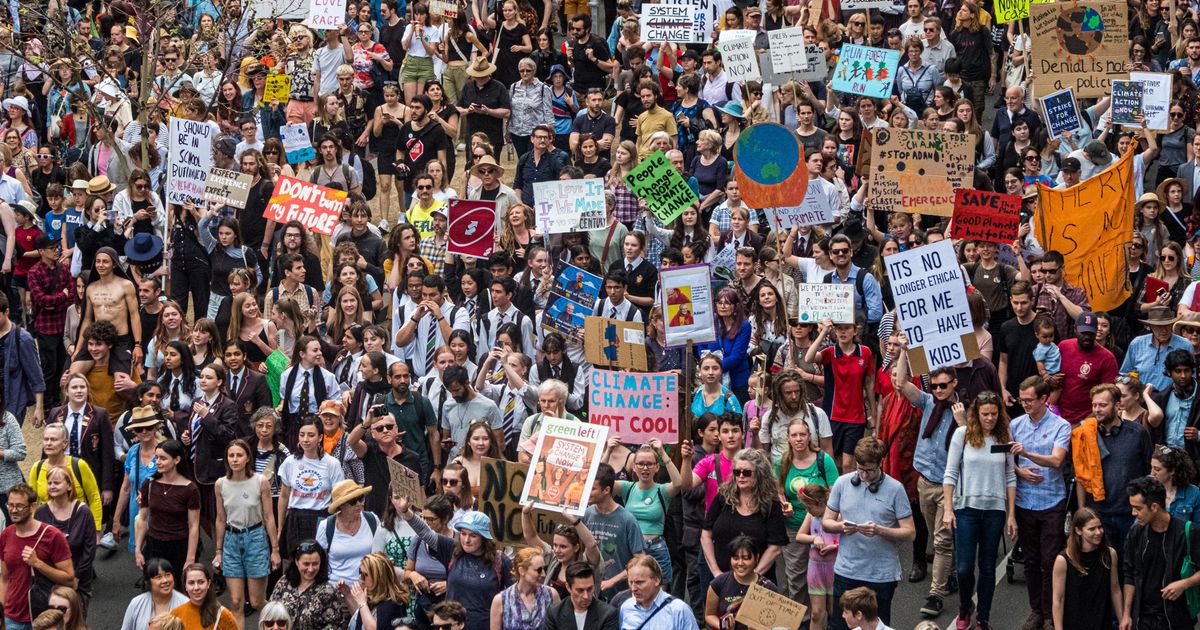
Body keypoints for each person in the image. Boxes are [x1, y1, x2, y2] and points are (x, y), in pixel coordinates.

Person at [821, 437, 916, 630]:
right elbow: (826, 522)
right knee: (839, 626)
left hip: (880, 575)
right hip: (847, 571)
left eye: (870, 470)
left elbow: (910, 532)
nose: (863, 475)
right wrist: (841, 527)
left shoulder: (895, 489)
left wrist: (880, 530)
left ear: (880, 463)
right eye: (860, 469)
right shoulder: (842, 483)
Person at [942, 392, 1017, 629]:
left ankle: (983, 618)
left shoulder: (1004, 436)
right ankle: (965, 606)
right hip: (966, 509)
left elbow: (1010, 476)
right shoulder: (962, 435)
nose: (990, 418)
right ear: (976, 413)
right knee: (964, 568)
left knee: (987, 567)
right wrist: (948, 508)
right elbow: (950, 473)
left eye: (994, 414)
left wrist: (1011, 514)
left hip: (994, 511)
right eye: (985, 414)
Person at [397, 499, 513, 630]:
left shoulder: (500, 561)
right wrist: (406, 512)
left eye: (473, 535)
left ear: (484, 538)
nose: (466, 540)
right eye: (463, 534)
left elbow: (514, 600)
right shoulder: (452, 550)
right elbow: (425, 532)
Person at [1074, 384, 1153, 555]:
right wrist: (1082, 511)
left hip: (1130, 513)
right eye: (1094, 405)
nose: (1097, 410)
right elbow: (1081, 476)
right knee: (1102, 565)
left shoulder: (1137, 433)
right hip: (1098, 516)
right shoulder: (1086, 434)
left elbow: (1149, 472)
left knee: (1130, 563)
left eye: (1103, 405)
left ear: (1118, 405)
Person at [214, 439, 279, 627]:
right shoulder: (220, 484)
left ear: (247, 458)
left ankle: (281, 621)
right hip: (231, 539)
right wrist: (218, 550)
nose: (235, 459)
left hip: (255, 537)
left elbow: (269, 517)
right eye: (231, 455)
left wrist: (274, 549)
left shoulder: (260, 481)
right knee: (236, 602)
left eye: (239, 455)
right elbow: (220, 519)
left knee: (258, 601)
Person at [1120, 476, 1200, 629]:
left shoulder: (1187, 532)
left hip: (1177, 619)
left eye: (1138, 508)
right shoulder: (1135, 533)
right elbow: (1129, 574)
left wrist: (1184, 583)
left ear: (1154, 507)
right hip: (1143, 619)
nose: (1133, 513)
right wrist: (1126, 614)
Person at [0, 484, 74, 629]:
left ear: (32, 507)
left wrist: (38, 564)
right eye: (10, 505)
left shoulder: (53, 536)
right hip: (11, 618)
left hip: (43, 618)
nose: (14, 510)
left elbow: (69, 578)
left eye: (20, 506)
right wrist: (2, 613)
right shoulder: (6, 535)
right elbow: (4, 578)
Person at [135, 439, 200, 587]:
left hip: (179, 547)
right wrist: (138, 549)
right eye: (156, 457)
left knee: (178, 591)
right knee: (154, 591)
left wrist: (190, 559)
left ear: (177, 459)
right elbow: (143, 518)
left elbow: (194, 526)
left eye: (163, 458)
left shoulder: (190, 489)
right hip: (154, 546)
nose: (158, 462)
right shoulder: (149, 484)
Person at [278, 417, 345, 556]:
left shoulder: (331, 463)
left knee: (319, 561)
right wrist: (280, 527)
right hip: (295, 517)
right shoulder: (290, 462)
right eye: (302, 435)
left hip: (321, 517)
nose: (305, 439)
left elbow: (339, 498)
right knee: (296, 564)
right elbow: (284, 496)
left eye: (311, 435)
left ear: (320, 437)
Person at [581, 463, 645, 599]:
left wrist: (613, 581)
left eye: (592, 489)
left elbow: (640, 559)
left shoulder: (627, 519)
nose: (587, 492)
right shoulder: (587, 514)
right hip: (591, 592)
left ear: (606, 490)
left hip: (620, 594)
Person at [1051, 507, 1122, 630]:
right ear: (1078, 531)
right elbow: (1058, 599)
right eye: (1091, 529)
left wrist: (1122, 620)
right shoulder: (1063, 560)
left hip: (1102, 623)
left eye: (1100, 527)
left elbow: (1115, 589)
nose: (1098, 532)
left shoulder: (1110, 554)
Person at [34, 466, 95, 603]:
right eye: (49, 483)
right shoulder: (41, 512)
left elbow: (89, 550)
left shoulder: (83, 512)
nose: (52, 486)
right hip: (48, 582)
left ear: (69, 485)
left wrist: (76, 577)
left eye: (57, 483)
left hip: (78, 581)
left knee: (75, 622)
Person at [704, 534, 781, 630]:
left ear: (756, 558)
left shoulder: (769, 588)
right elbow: (709, 615)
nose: (740, 563)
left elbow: (777, 624)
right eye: (735, 558)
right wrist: (723, 625)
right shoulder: (718, 583)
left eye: (746, 558)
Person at [270, 542, 348, 629]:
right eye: (306, 564)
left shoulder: (328, 592)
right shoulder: (284, 582)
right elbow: (271, 613)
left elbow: (336, 625)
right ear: (296, 562)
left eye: (315, 564)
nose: (311, 569)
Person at [316, 480, 379, 585]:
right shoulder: (326, 526)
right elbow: (319, 561)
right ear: (341, 505)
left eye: (361, 498)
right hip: (337, 589)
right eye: (353, 501)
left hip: (369, 588)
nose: (359, 504)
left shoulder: (372, 519)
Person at [619, 556, 698, 630]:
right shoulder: (626, 608)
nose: (633, 588)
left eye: (639, 582)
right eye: (630, 582)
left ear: (657, 580)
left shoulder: (679, 610)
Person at [490, 546, 559, 629]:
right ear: (522, 571)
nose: (543, 574)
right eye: (539, 570)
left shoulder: (551, 595)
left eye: (544, 569)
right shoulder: (502, 600)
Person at [543, 561, 619, 630]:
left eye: (589, 589)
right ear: (568, 587)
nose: (586, 596)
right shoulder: (554, 613)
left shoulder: (607, 614)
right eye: (580, 590)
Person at [343, 552, 410, 630]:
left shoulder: (392, 604)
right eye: (360, 572)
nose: (361, 578)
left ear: (379, 578)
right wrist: (347, 594)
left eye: (366, 575)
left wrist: (362, 603)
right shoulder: (368, 598)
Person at [120, 559, 190, 630]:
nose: (165, 580)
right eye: (158, 577)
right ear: (147, 581)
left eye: (168, 575)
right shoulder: (136, 603)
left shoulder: (185, 604)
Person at [171, 563, 238, 630]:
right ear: (185, 586)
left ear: (208, 583)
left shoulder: (224, 616)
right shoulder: (176, 614)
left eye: (201, 582)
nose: (196, 588)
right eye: (191, 583)